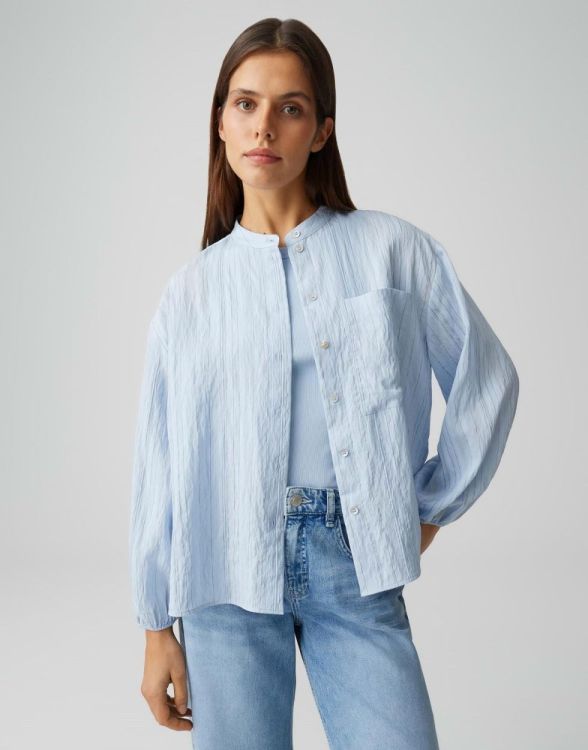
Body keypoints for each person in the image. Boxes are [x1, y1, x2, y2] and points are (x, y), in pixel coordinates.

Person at [128, 17, 519, 750]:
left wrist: (426, 510)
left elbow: (488, 381)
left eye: (291, 107)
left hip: (353, 560)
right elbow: (160, 466)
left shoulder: (393, 252)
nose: (264, 127)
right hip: (223, 569)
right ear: (220, 122)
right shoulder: (191, 294)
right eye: (245, 104)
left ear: (321, 130)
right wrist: (155, 627)